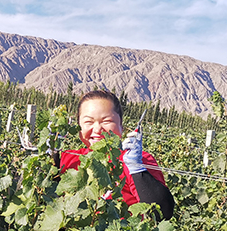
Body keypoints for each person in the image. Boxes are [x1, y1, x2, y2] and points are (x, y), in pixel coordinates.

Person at [57, 90, 174, 220]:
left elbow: (163, 213)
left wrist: (137, 171)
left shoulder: (139, 159)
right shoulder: (69, 158)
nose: (97, 129)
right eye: (88, 122)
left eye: (106, 121)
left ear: (121, 126)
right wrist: (51, 154)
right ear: (78, 126)